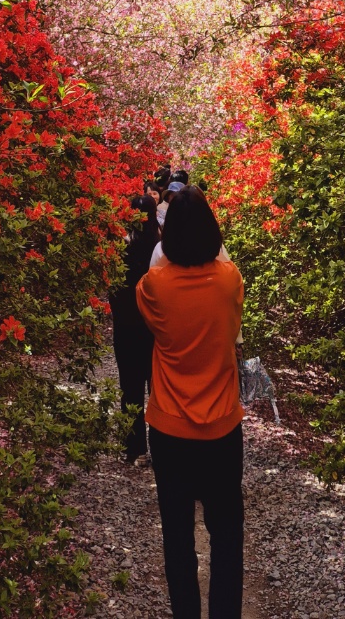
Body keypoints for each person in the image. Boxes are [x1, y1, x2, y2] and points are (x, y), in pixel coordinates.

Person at [137, 186, 244, 619]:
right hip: (221, 427)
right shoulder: (229, 280)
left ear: (168, 235)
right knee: (227, 535)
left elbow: (150, 321)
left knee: (178, 537)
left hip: (169, 429)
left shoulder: (154, 288)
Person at [109, 194, 159, 462]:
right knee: (158, 388)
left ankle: (134, 447)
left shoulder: (120, 247)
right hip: (155, 328)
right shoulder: (162, 247)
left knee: (130, 387)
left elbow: (112, 290)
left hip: (126, 327)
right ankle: (162, 445)